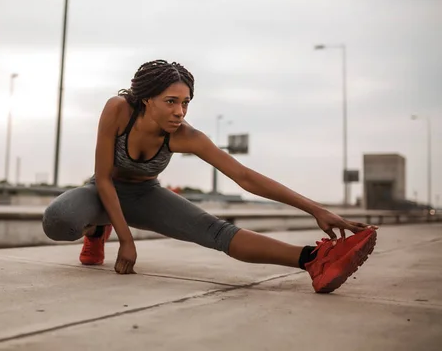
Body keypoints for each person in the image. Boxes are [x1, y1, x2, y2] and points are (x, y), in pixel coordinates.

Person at [42, 59, 378, 294]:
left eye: (185, 102)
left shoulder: (185, 135)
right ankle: (98, 230)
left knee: (218, 232)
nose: (180, 111)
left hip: (146, 197)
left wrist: (315, 209)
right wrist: (126, 240)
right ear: (146, 99)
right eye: (171, 101)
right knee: (58, 220)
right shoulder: (117, 110)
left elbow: (245, 177)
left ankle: (314, 259)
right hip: (102, 192)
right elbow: (102, 177)